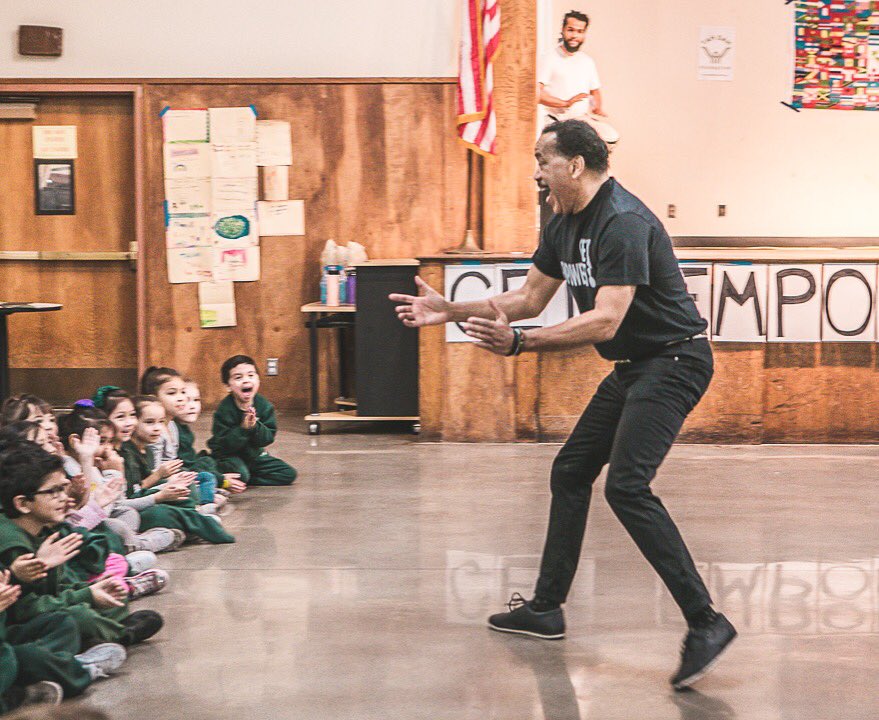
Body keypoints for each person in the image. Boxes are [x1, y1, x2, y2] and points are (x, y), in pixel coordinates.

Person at [389, 119, 736, 690]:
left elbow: (607, 317)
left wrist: (523, 343)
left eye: (543, 160)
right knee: (571, 470)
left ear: (575, 165)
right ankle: (546, 609)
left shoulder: (622, 221)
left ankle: (706, 622)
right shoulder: (562, 221)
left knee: (627, 486)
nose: (536, 171)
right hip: (633, 366)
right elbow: (528, 297)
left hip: (676, 360)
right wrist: (448, 311)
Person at [207, 356, 297, 487]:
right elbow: (224, 445)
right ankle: (227, 471)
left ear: (258, 380)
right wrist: (243, 429)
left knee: (288, 474)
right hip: (228, 456)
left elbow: (267, 439)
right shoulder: (224, 409)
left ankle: (248, 479)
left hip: (253, 456)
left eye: (251, 375)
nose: (246, 380)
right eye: (238, 377)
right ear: (228, 386)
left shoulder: (265, 406)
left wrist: (255, 426)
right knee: (241, 474)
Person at [538, 10, 619, 148]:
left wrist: (597, 107)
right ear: (563, 30)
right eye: (571, 30)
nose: (574, 35)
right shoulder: (549, 58)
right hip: (555, 120)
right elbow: (536, 94)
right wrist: (565, 103)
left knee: (610, 137)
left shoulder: (587, 61)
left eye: (580, 31)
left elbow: (595, 91)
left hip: (580, 120)